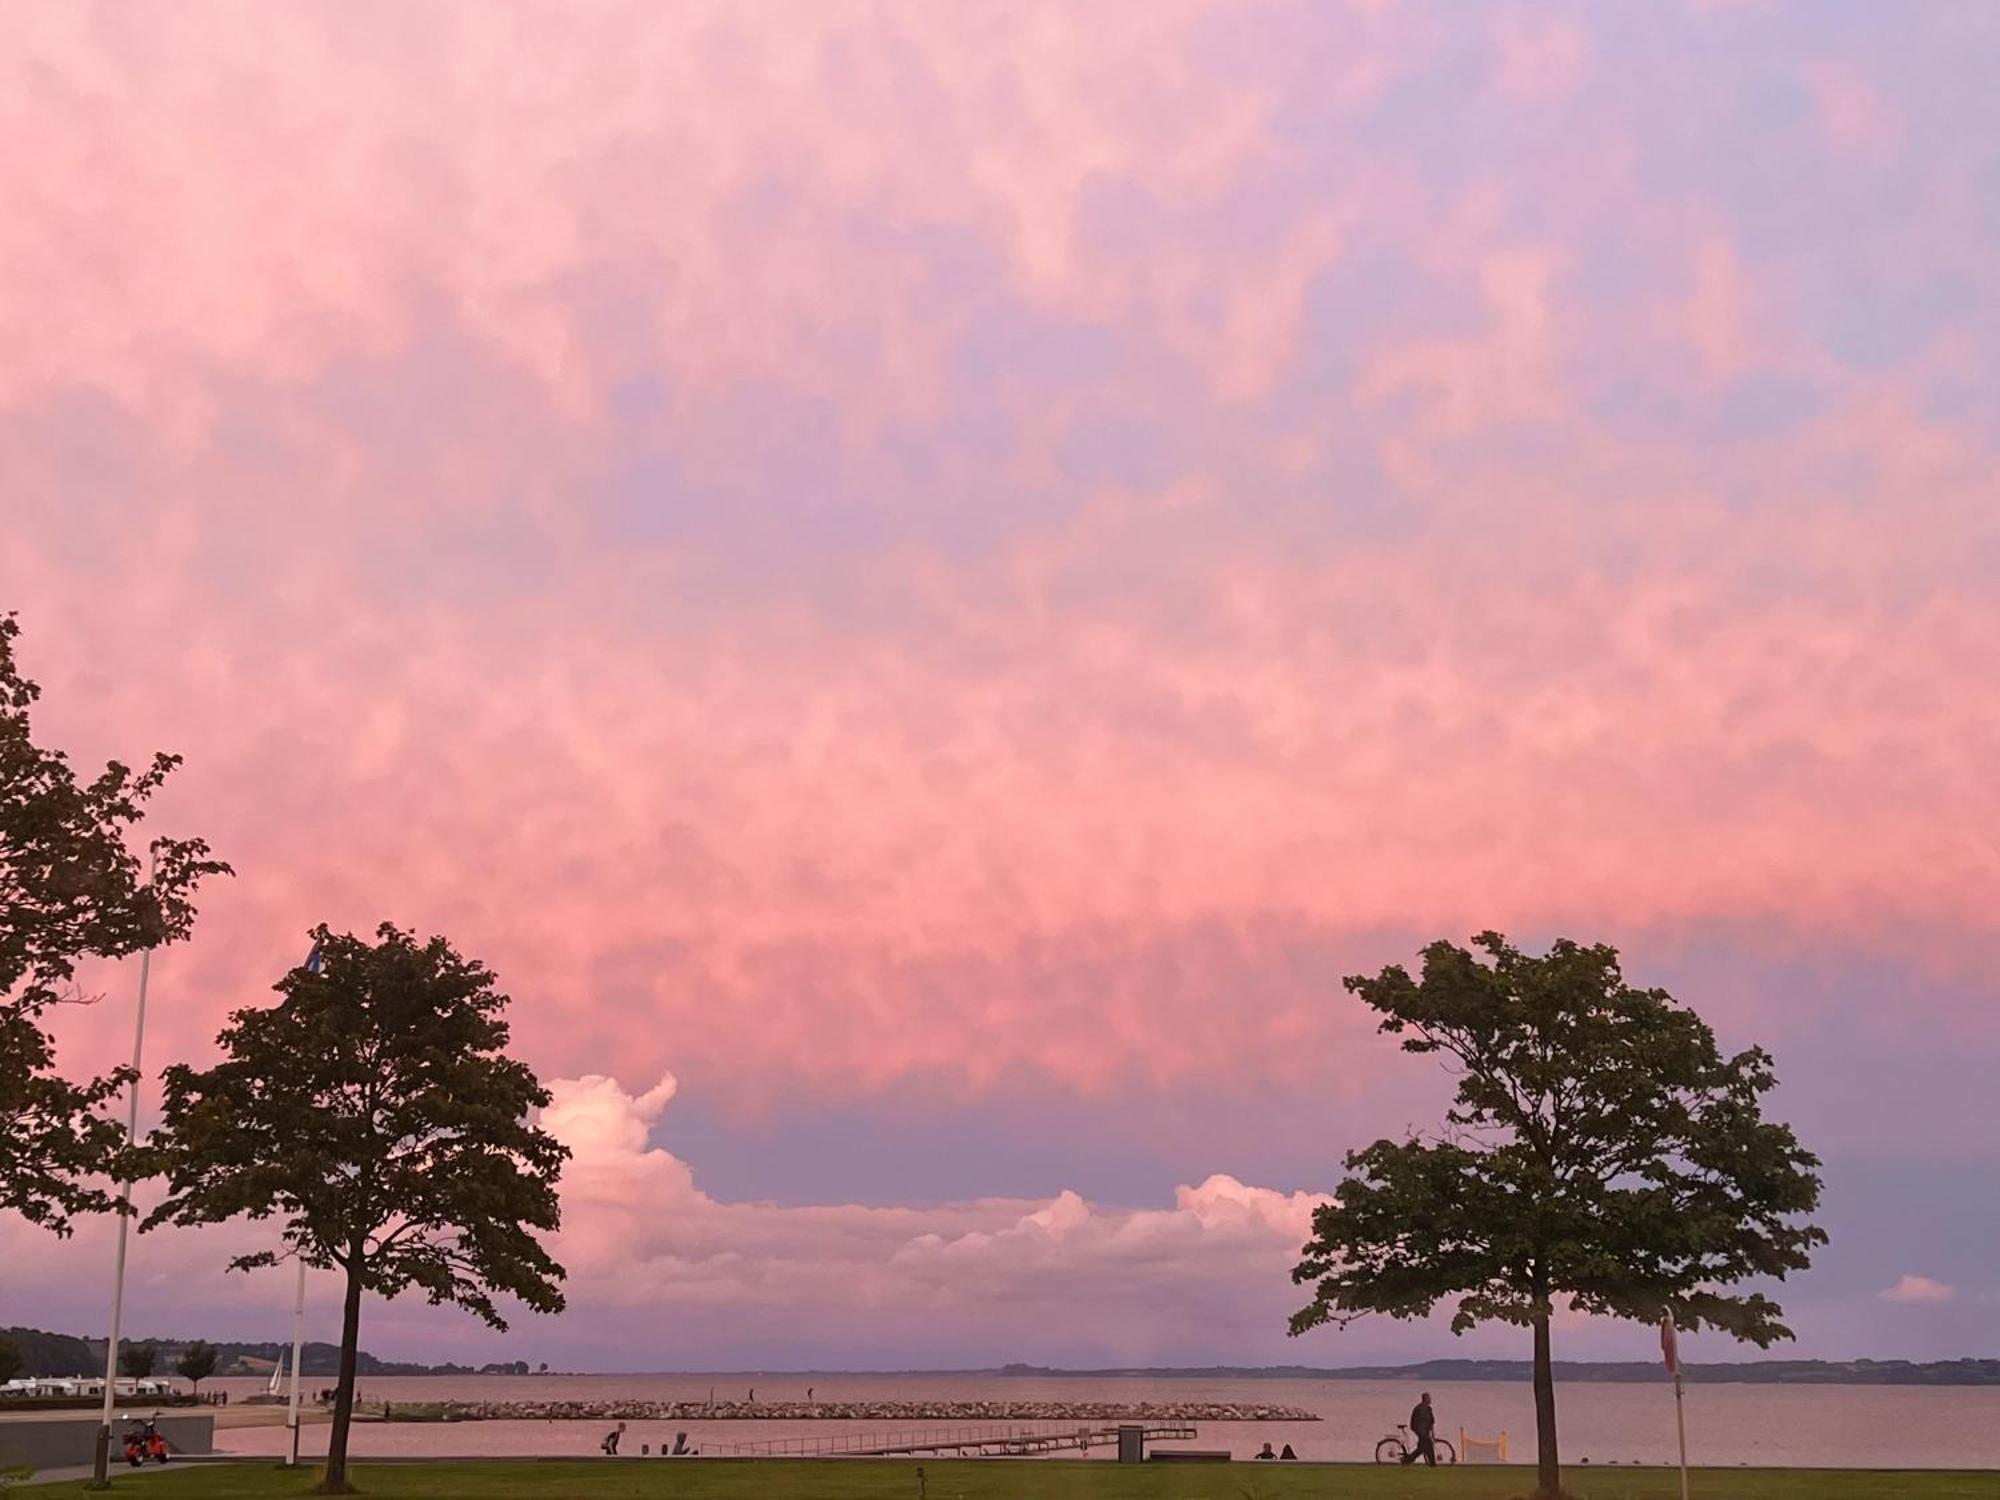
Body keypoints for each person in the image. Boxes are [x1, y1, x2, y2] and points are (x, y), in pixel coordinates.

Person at [1403, 1392, 1437, 1466]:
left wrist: (1432, 1432)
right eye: (1429, 1398)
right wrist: (1421, 1432)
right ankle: (1432, 1464)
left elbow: (1431, 1421)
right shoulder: (1419, 1408)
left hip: (1425, 1431)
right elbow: (1418, 1422)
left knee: (1422, 1448)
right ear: (1425, 1399)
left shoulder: (1428, 1409)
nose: (1430, 1399)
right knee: (1427, 1445)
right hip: (1420, 1430)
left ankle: (1408, 1459)